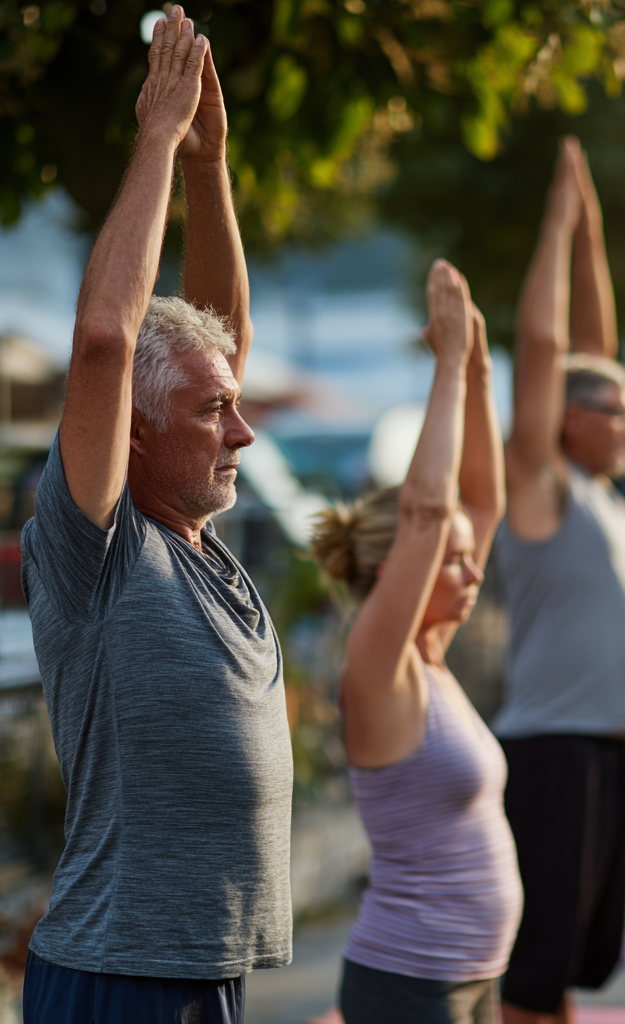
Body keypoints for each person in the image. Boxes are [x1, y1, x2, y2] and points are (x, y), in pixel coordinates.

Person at [21, 9, 292, 1023]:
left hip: (196, 972)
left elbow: (222, 334)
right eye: (216, 413)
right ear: (132, 433)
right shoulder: (100, 550)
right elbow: (104, 339)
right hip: (117, 975)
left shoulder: (196, 539)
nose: (242, 432)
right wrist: (158, 137)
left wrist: (212, 163)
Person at [310, 261, 521, 1024]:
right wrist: (447, 369)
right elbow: (430, 514)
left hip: (471, 979)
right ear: (400, 565)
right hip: (409, 985)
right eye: (451, 559)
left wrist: (479, 365)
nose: (472, 570)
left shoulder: (432, 654)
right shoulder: (380, 666)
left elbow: (483, 503)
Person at [494, 138, 625, 1024]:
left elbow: (591, 355)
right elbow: (544, 349)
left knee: (574, 963)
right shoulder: (540, 485)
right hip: (553, 751)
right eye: (622, 414)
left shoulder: (599, 487)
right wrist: (557, 228)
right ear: (571, 421)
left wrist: (592, 234)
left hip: (609, 748)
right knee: (533, 975)